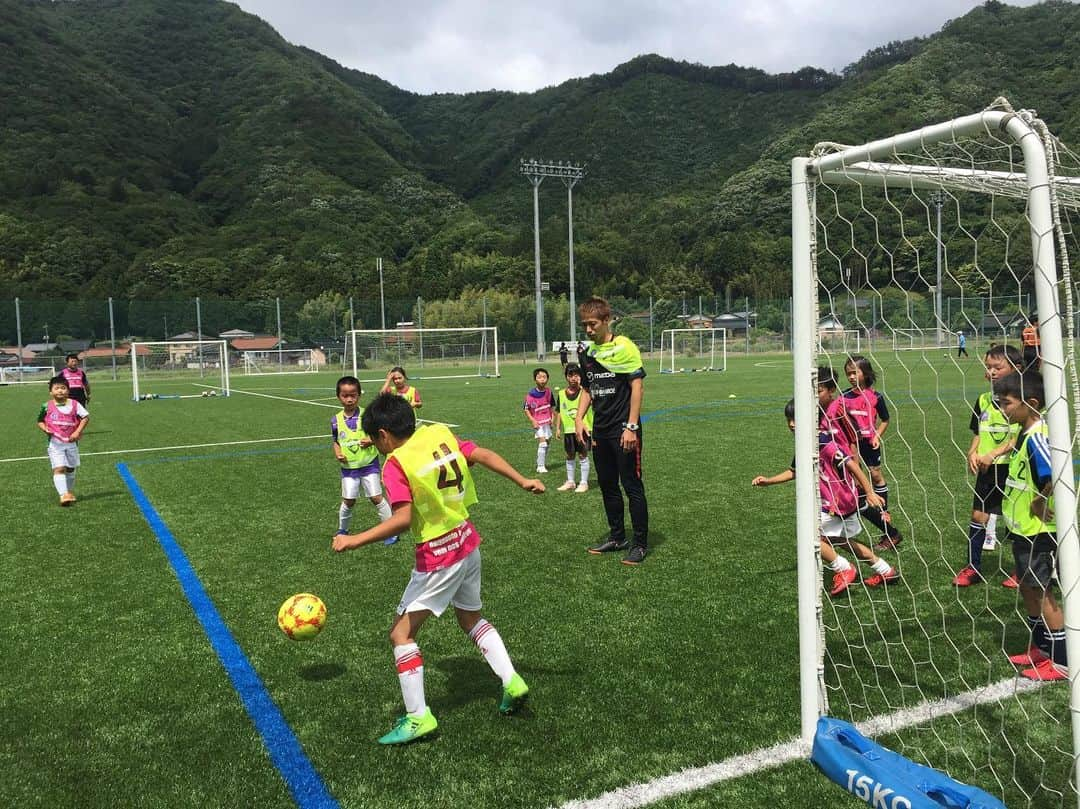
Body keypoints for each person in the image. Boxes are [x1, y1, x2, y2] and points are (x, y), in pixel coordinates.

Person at [332, 393, 545, 743]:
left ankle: (418, 717)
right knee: (471, 618)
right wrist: (521, 480)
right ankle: (511, 680)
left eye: (374, 439)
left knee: (401, 635)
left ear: (384, 434)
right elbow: (483, 454)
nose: (376, 446)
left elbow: (401, 519)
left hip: (438, 555)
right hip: (467, 540)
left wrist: (353, 539)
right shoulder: (438, 433)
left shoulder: (396, 463)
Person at [752, 399, 897, 597]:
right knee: (839, 540)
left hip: (839, 500)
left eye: (796, 419)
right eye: (788, 419)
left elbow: (852, 465)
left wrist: (870, 492)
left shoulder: (823, 442)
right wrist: (768, 481)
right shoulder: (805, 444)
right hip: (838, 500)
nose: (792, 424)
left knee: (810, 538)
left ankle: (843, 568)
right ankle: (886, 570)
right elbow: (794, 472)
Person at [994, 372, 1066, 681]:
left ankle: (1061, 661)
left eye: (1006, 403)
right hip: (1022, 528)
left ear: (1031, 403)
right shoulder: (1024, 432)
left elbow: (1050, 476)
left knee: (1043, 591)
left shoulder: (1038, 435)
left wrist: (1039, 501)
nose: (1002, 408)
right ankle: (1041, 647)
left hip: (1038, 530)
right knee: (1028, 588)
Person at [576, 297, 649, 565]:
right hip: (600, 431)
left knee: (631, 486)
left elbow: (637, 387)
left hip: (624, 430)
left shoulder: (625, 347)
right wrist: (579, 419)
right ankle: (618, 537)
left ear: (607, 320)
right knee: (608, 485)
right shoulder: (586, 353)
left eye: (593, 324)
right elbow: (587, 388)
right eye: (584, 325)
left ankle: (640, 544)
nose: (588, 330)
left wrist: (631, 427)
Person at [953, 344, 1023, 587]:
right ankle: (973, 568)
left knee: (1016, 519)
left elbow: (1021, 436)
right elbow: (978, 431)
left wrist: (994, 452)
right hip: (987, 469)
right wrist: (972, 452)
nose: (991, 372)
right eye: (988, 367)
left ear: (1016, 369)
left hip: (1014, 468)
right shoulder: (983, 399)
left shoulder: (1022, 400)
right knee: (978, 516)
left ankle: (1023, 570)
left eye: (998, 367)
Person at [842, 356, 903, 551]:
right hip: (852, 444)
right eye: (848, 373)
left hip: (869, 442)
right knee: (856, 479)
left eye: (855, 372)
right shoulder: (844, 397)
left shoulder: (876, 397)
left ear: (865, 373)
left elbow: (885, 419)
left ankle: (884, 511)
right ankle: (862, 509)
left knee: (875, 474)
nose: (851, 377)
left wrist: (877, 435)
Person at [332, 376, 396, 545]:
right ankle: (342, 530)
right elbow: (336, 441)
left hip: (369, 465)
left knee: (376, 497)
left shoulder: (367, 416)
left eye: (353, 395)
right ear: (338, 396)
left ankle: (390, 529)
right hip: (349, 468)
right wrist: (338, 453)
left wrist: (371, 440)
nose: (349, 399)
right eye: (345, 395)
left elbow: (379, 436)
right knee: (349, 501)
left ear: (359, 395)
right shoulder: (336, 420)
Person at [37, 376, 89, 506]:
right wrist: (45, 429)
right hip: (55, 444)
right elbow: (40, 421)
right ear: (51, 392)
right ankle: (63, 495)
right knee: (59, 468)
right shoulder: (46, 406)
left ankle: (68, 491)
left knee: (70, 469)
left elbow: (85, 417)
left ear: (68, 390)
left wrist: (77, 432)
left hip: (71, 443)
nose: (60, 391)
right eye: (57, 388)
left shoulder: (75, 404)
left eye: (63, 388)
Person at [553, 362, 591, 493]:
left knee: (582, 454)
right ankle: (570, 481)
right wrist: (558, 428)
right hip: (568, 430)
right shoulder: (562, 393)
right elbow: (559, 411)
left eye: (576, 375)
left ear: (580, 376)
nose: (573, 378)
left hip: (582, 430)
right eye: (570, 375)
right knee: (569, 455)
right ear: (566, 377)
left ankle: (584, 482)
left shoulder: (585, 392)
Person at [524, 368, 556, 474]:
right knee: (543, 443)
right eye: (539, 377)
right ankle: (540, 466)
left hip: (547, 421)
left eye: (544, 377)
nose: (542, 379)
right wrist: (532, 420)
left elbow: (551, 406)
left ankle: (541, 461)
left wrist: (552, 418)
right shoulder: (531, 394)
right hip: (538, 423)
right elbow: (526, 409)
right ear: (535, 379)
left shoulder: (549, 392)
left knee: (548, 441)